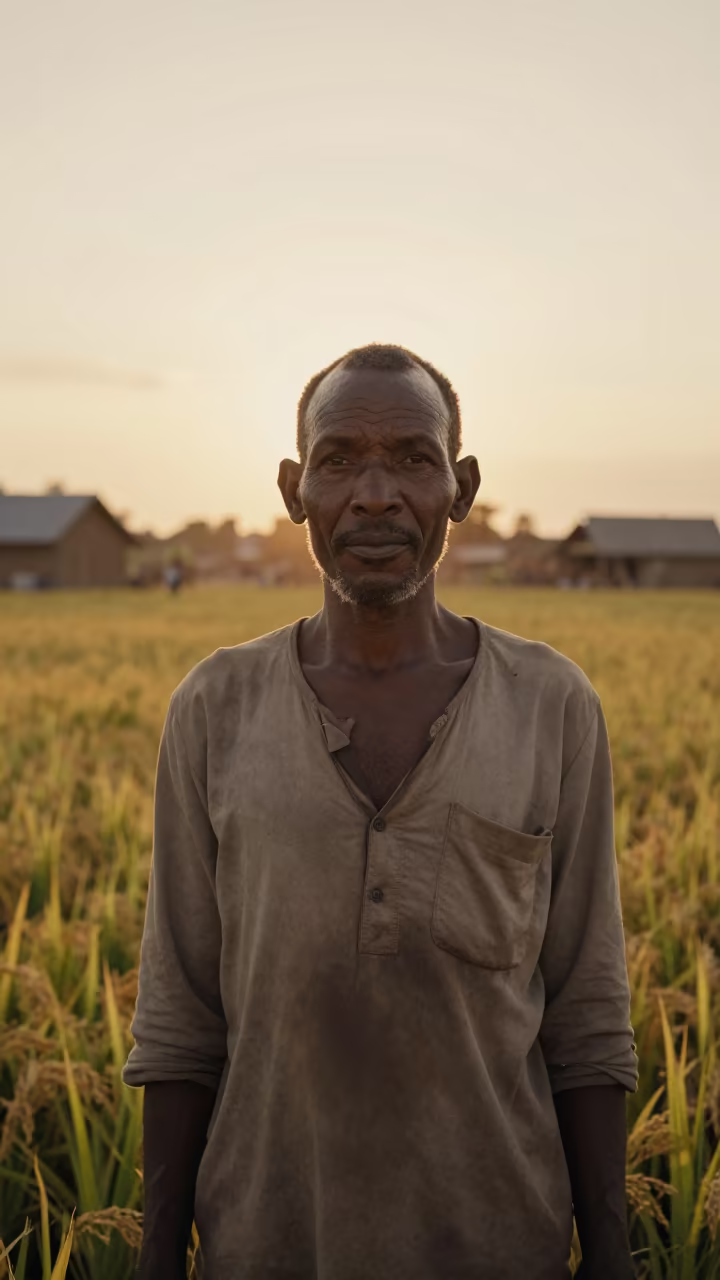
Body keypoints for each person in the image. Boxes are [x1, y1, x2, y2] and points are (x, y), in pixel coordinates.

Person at [123, 343, 638, 1280]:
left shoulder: (551, 705)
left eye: (411, 457)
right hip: (263, 1244)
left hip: (501, 1242)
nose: (374, 493)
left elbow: (588, 1011)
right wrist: (159, 1254)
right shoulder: (215, 708)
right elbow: (180, 1017)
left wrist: (612, 1250)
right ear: (293, 490)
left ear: (461, 485)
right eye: (339, 460)